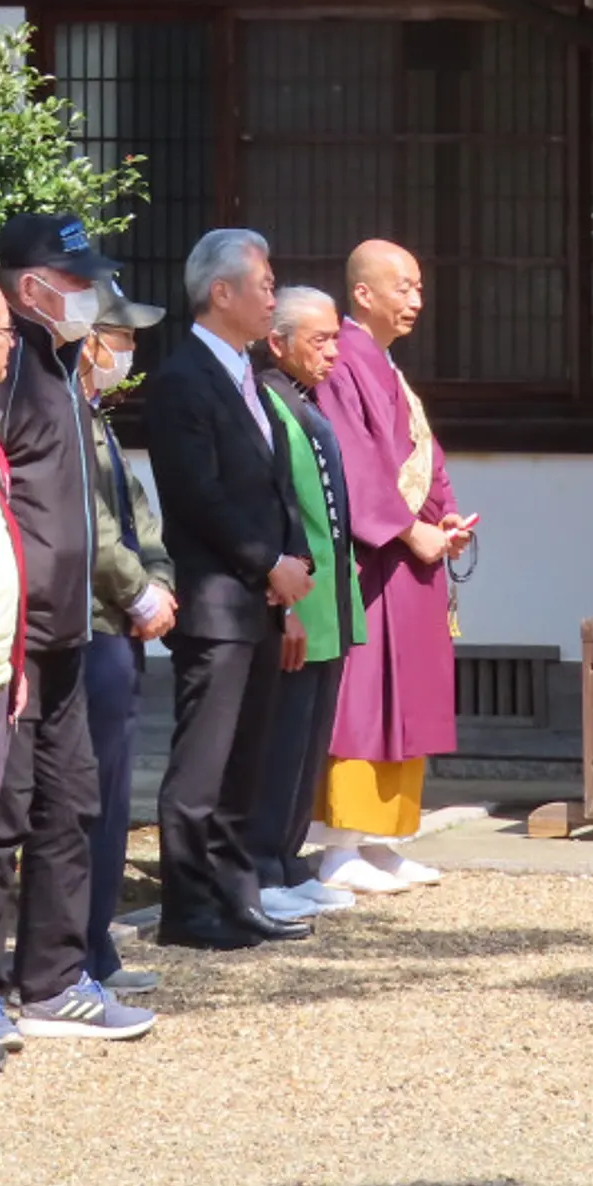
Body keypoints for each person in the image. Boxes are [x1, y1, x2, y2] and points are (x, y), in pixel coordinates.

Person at [0, 214, 137, 1045]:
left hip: (72, 630)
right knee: (0, 812)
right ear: (31, 287)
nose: (87, 296)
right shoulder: (6, 363)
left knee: (73, 802)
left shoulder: (61, 365)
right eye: (73, 281)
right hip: (13, 634)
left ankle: (56, 976)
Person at [151, 227, 314, 949]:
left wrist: (294, 566)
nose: (273, 296)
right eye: (264, 284)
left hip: (264, 598)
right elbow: (198, 496)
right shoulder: (183, 379)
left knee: (248, 761)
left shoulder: (250, 379)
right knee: (203, 765)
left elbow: (279, 488)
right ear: (221, 293)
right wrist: (264, 563)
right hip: (218, 597)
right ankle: (188, 907)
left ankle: (237, 892)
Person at [314, 241, 473, 895]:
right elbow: (351, 461)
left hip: (409, 559)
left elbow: (422, 456)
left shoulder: (385, 366)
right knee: (365, 694)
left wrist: (447, 523)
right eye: (403, 287)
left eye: (418, 287)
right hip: (374, 559)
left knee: (406, 696)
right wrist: (411, 531)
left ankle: (383, 840)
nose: (416, 300)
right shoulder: (342, 361)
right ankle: (339, 845)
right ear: (363, 294)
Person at [255, 287, 364, 920]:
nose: (332, 351)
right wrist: (283, 603)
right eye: (319, 339)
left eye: (334, 338)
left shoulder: (303, 400)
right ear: (279, 341)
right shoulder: (268, 402)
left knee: (308, 738)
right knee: (283, 739)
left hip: (328, 597)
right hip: (297, 597)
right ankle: (264, 863)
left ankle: (290, 859)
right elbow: (276, 506)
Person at [82, 315, 177, 1000]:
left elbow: (139, 517)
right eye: (120, 335)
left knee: (114, 797)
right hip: (91, 623)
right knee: (84, 799)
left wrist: (159, 583)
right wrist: (136, 591)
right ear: (89, 341)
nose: (128, 351)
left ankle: (96, 944)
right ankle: (74, 951)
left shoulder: (98, 418)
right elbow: (90, 526)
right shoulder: (60, 413)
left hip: (123, 624)